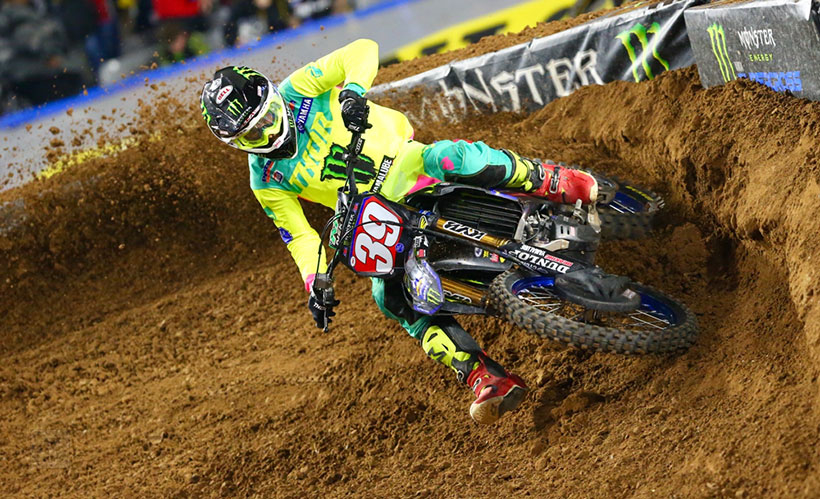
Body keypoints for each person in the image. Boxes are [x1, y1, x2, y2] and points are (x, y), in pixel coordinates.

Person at [199, 39, 598, 424]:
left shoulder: (299, 89)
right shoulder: (264, 179)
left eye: (268, 117)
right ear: (237, 143)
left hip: (410, 166)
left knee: (451, 156)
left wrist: (353, 92)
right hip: (375, 217)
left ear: (273, 97)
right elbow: (300, 237)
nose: (269, 133)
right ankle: (483, 376)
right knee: (388, 296)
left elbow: (361, 50)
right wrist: (315, 282)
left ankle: (550, 179)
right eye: (253, 135)